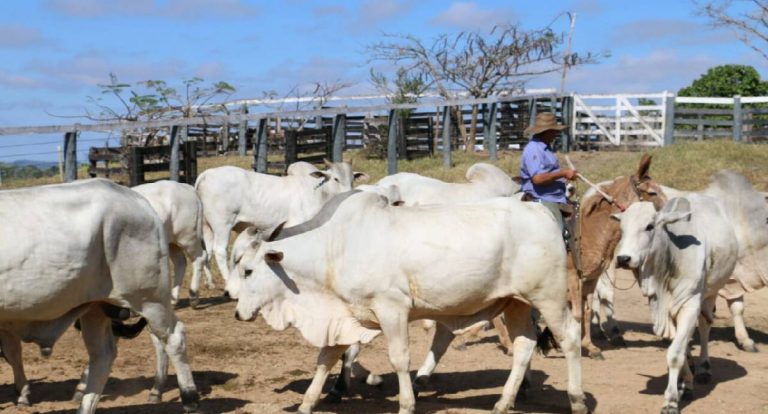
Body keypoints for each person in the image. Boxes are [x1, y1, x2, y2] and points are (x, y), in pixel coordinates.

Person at [520, 112, 578, 233]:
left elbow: (549, 173)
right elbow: (538, 179)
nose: (556, 134)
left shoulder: (545, 148)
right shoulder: (534, 149)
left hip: (555, 196)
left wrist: (562, 178)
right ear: (546, 132)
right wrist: (563, 174)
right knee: (558, 231)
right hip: (543, 198)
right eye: (554, 131)